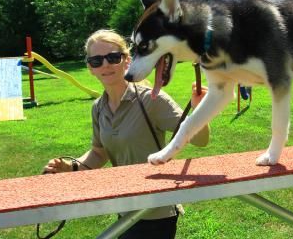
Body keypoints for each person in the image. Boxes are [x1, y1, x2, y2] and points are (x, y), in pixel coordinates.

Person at [43, 29, 210, 239]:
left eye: (113, 57)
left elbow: (201, 140)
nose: (105, 65)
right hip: (125, 205)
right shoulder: (98, 107)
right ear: (90, 68)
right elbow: (98, 153)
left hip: (155, 210)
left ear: (127, 61)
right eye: (96, 61)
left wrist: (199, 110)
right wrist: (71, 166)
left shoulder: (152, 100)